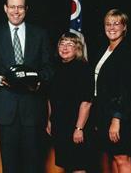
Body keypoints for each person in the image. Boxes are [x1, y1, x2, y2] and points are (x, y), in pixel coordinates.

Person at [0, 0, 53, 173]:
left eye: (20, 7)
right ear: (5, 9)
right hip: (7, 109)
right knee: (10, 163)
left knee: (33, 163)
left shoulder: (40, 34)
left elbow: (48, 67)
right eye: (12, 7)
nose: (16, 11)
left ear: (26, 9)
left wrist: (39, 82)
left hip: (32, 107)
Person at [93, 9, 131, 172]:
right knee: (113, 156)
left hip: (119, 114)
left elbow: (127, 88)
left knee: (122, 157)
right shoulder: (104, 50)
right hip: (103, 112)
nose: (112, 27)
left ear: (124, 27)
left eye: (116, 23)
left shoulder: (127, 52)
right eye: (108, 24)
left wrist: (117, 119)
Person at [46, 32, 93, 173]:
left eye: (70, 44)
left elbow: (86, 102)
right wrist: (49, 120)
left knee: (78, 167)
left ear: (77, 48)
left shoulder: (83, 69)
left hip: (77, 126)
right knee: (69, 165)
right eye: (62, 43)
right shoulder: (56, 68)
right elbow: (50, 98)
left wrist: (79, 128)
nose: (65, 48)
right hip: (60, 126)